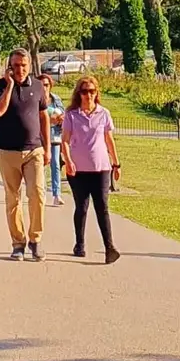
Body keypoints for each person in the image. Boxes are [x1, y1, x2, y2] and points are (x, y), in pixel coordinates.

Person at [0, 48, 49, 261]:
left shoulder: (38, 86)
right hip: (7, 151)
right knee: (12, 198)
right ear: (9, 67)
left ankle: (35, 239)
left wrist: (47, 146)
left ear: (29, 66)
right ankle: (18, 243)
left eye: (24, 65)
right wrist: (9, 86)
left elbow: (44, 117)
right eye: (16, 65)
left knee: (37, 194)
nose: (20, 69)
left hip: (33, 150)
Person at [61, 75, 120, 264]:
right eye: (85, 91)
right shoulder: (71, 115)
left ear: (97, 93)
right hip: (78, 170)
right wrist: (68, 161)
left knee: (102, 207)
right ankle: (80, 243)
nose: (88, 95)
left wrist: (116, 163)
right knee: (82, 207)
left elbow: (109, 140)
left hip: (101, 168)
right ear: (79, 94)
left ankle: (109, 247)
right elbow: (65, 141)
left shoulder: (104, 114)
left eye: (92, 91)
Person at [40, 74, 64, 206]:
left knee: (55, 164)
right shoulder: (35, 99)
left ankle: (57, 194)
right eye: (41, 85)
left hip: (54, 137)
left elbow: (62, 113)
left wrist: (58, 117)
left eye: (46, 85)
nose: (44, 88)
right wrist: (50, 117)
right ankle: (41, 193)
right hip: (40, 137)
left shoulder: (56, 99)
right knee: (41, 166)